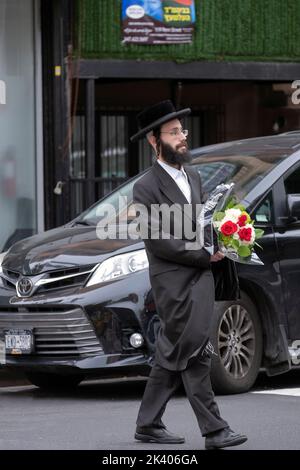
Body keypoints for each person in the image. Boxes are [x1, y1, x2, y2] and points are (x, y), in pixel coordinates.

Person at [131, 100, 247, 450]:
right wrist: (202, 254)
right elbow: (158, 240)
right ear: (154, 141)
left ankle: (148, 423)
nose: (183, 137)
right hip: (174, 282)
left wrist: (223, 237)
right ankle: (215, 430)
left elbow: (198, 226)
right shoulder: (145, 188)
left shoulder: (194, 176)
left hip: (202, 277)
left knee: (175, 348)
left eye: (183, 131)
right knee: (196, 349)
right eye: (174, 132)